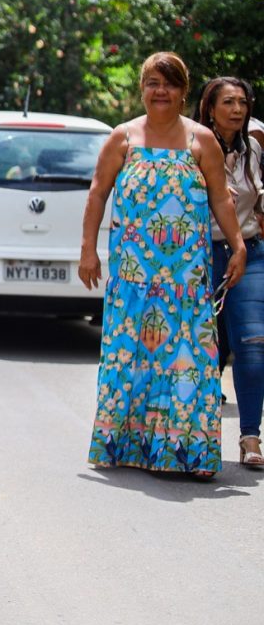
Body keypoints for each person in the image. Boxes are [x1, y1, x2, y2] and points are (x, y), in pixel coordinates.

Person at [80, 53, 245, 477]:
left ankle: (187, 450)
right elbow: (97, 193)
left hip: (185, 279)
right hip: (134, 278)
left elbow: (221, 199)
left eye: (170, 84)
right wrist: (88, 249)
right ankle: (126, 445)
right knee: (130, 354)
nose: (161, 91)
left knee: (189, 357)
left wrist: (238, 245)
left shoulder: (201, 140)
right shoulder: (123, 138)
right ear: (142, 88)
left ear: (183, 91)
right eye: (153, 82)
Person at [195, 76, 264, 467]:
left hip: (250, 253)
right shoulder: (193, 147)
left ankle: (250, 437)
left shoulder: (253, 148)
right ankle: (199, 436)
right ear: (210, 108)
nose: (237, 110)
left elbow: (258, 199)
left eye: (242, 102)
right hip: (203, 256)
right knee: (204, 349)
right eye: (229, 103)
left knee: (253, 344)